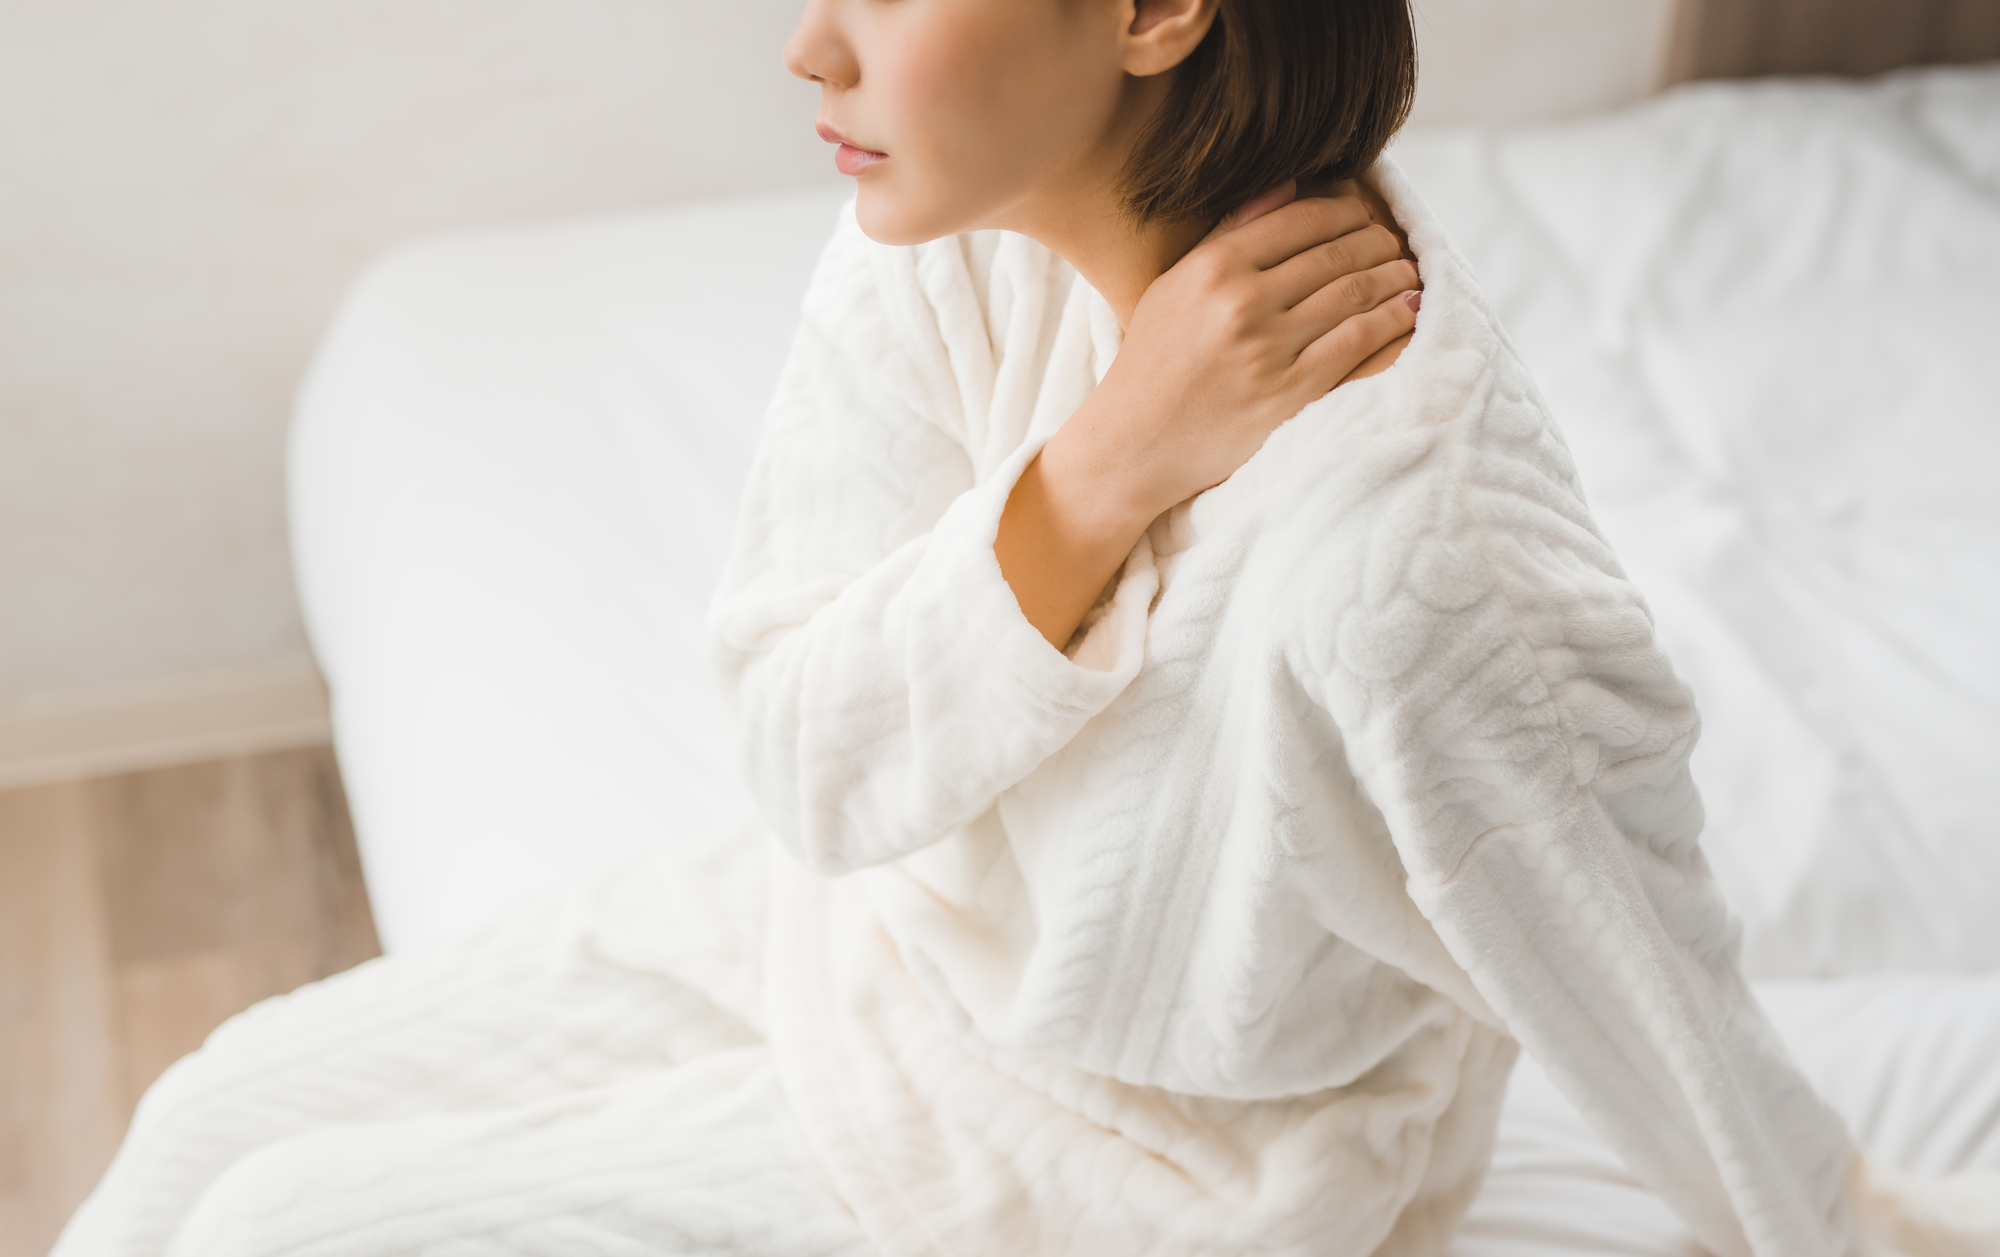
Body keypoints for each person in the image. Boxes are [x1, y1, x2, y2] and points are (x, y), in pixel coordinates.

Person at [53, 1, 1998, 1254]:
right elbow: (809, 761)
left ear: (1156, 12)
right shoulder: (945, 221)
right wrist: (1100, 467)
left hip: (1141, 1169)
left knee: (284, 1223)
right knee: (209, 1120)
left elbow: (1655, 997)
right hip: (869, 938)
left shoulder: (1415, 563)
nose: (811, 50)